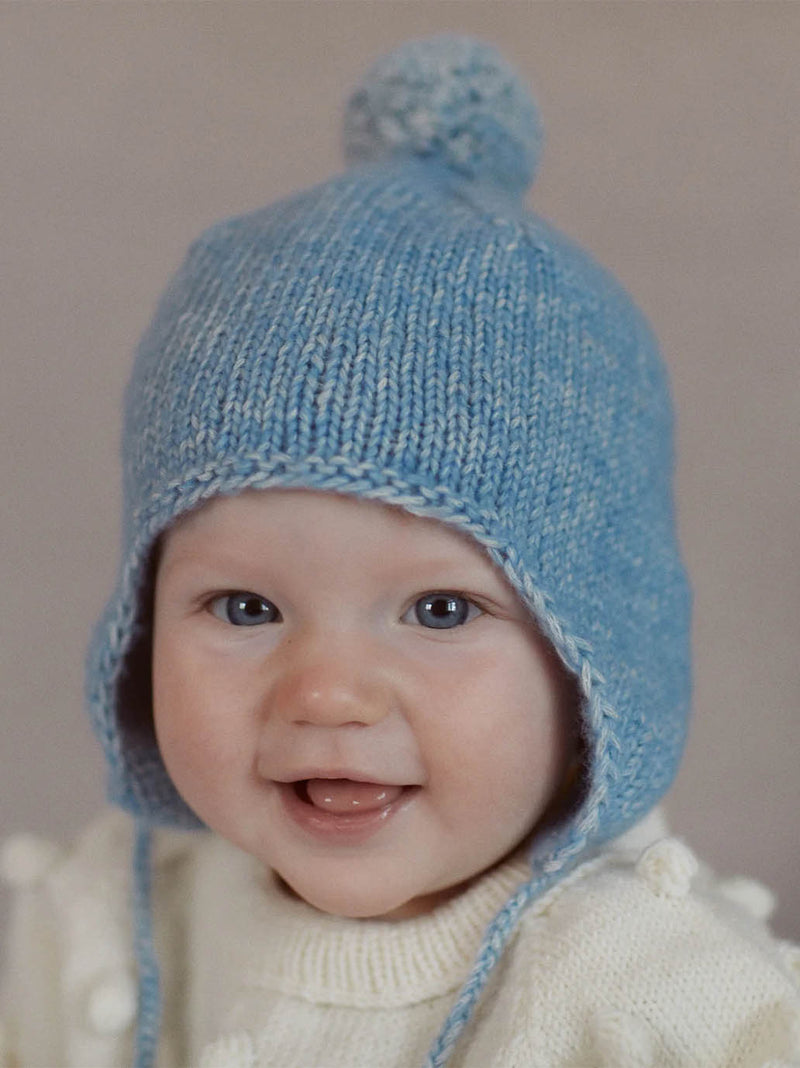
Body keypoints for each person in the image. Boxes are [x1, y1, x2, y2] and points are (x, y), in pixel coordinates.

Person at [2, 33, 798, 1068]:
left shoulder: (648, 990)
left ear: (593, 663)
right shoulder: (100, 921)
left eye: (439, 610)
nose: (326, 695)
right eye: (245, 607)